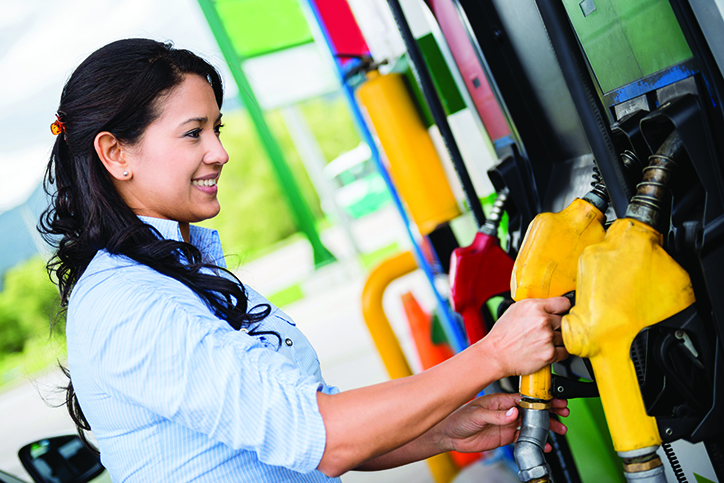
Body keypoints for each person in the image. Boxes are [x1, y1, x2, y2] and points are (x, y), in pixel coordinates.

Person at [40, 39, 570, 482]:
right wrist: (494, 354)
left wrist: (443, 428)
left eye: (217, 130)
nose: (219, 152)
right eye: (193, 132)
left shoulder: (176, 275)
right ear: (116, 154)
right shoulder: (130, 304)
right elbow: (324, 435)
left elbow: (301, 429)